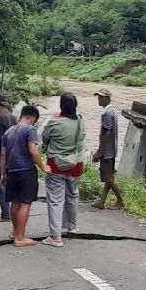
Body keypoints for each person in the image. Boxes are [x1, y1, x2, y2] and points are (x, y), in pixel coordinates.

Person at [40, 93, 86, 247]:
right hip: (76, 164)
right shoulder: (81, 120)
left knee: (55, 199)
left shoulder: (54, 122)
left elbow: (44, 138)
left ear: (61, 105)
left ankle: (55, 237)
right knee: (73, 195)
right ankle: (72, 227)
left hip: (56, 165)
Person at [0, 105, 49, 247]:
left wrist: (3, 174)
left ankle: (15, 232)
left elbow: (3, 154)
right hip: (26, 171)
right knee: (26, 203)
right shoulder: (30, 129)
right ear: (33, 119)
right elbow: (33, 151)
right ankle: (20, 238)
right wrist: (43, 167)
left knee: (15, 202)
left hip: (11, 171)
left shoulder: (8, 132)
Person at [92, 88, 124, 210]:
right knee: (108, 177)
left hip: (107, 152)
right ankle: (101, 202)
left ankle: (120, 201)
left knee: (109, 178)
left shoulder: (107, 113)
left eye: (101, 97)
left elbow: (107, 134)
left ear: (107, 98)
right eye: (98, 96)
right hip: (111, 150)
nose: (98, 99)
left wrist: (99, 151)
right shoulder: (111, 111)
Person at [0, 92, 18, 223]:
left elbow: (1, 143)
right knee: (10, 186)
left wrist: (0, 161)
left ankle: (6, 214)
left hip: (0, 158)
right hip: (13, 157)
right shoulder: (13, 118)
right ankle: (12, 211)